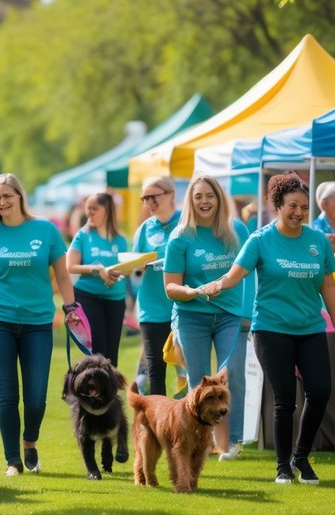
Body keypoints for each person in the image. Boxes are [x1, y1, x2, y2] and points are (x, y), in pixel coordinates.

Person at [202, 172, 335, 484]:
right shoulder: (260, 240)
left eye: (304, 207)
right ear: (277, 206)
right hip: (271, 330)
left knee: (321, 391)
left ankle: (301, 456)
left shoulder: (317, 242)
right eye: (292, 206)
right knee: (285, 399)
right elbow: (234, 274)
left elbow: (328, 285)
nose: (299, 212)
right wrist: (217, 285)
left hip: (310, 328)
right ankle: (283, 466)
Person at [0, 173, 81, 476]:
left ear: (19, 197)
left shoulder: (45, 230)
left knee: (36, 396)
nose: (2, 203)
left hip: (38, 323)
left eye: (7, 197)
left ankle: (30, 441)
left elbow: (63, 274)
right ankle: (12, 459)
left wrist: (70, 307)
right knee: (7, 395)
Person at [163, 175, 250, 458]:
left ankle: (232, 441)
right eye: (198, 196)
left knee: (232, 374)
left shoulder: (236, 230)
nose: (204, 202)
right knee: (198, 384)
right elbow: (170, 287)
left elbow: (251, 272)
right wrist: (193, 291)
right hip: (192, 316)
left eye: (210, 196)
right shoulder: (180, 238)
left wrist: (249, 313)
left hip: (230, 315)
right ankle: (200, 440)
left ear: (219, 199)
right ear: (190, 200)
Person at [65, 192, 129, 366]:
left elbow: (126, 268)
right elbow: (70, 266)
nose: (89, 213)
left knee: (111, 353)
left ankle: (109, 392)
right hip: (88, 297)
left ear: (107, 210)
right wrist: (97, 270)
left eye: (94, 209)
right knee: (98, 352)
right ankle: (94, 391)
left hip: (116, 300)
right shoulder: (82, 236)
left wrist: (118, 274)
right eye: (88, 209)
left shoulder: (121, 240)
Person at [133, 176, 181, 395]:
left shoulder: (187, 222)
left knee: (189, 372)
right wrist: (135, 267)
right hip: (151, 310)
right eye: (145, 198)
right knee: (156, 373)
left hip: (183, 306)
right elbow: (134, 271)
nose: (149, 202)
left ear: (170, 194)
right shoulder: (144, 230)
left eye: (154, 197)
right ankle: (158, 428)